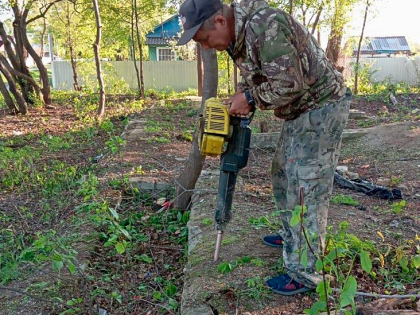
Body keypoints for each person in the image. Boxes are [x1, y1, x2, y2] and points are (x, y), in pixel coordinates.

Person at [177, 0, 351, 295]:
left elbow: (289, 83)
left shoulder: (264, 25)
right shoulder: (239, 36)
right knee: (283, 173)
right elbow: (263, 77)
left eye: (204, 39)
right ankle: (292, 236)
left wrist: (251, 98)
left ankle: (305, 272)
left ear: (219, 21)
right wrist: (244, 97)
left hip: (322, 106)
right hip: (299, 109)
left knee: (306, 186)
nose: (206, 46)